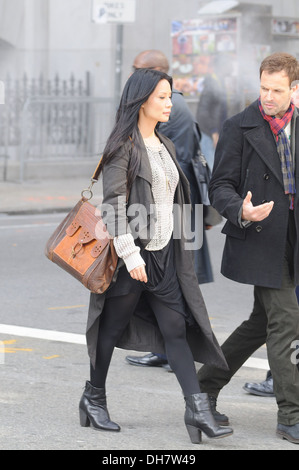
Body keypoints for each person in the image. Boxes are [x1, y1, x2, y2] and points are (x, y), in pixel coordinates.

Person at [79, 68, 233, 444]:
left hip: (164, 258)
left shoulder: (165, 143)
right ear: (142, 99)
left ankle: (196, 411)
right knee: (111, 328)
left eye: (170, 96)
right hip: (132, 258)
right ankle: (93, 398)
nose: (170, 103)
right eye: (163, 97)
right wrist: (130, 256)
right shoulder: (123, 148)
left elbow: (173, 199)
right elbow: (114, 206)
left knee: (176, 329)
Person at [197, 52, 299, 445]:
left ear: (294, 89)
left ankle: (204, 387)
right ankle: (291, 415)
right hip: (260, 239)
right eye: (263, 88)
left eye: (276, 90)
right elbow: (219, 185)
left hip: (292, 240)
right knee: (287, 320)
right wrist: (241, 209)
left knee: (261, 322)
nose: (268, 97)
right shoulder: (239, 126)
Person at [125, 49, 214, 371]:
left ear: (156, 71)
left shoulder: (166, 105)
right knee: (175, 282)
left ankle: (175, 351)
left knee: (177, 281)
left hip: (175, 208)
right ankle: (169, 350)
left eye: (137, 69)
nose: (131, 74)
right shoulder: (169, 101)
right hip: (177, 207)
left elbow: (167, 164)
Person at [195, 55, 228, 169]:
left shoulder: (219, 82)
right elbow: (203, 113)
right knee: (210, 168)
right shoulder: (211, 84)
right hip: (209, 133)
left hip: (216, 132)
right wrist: (214, 132)